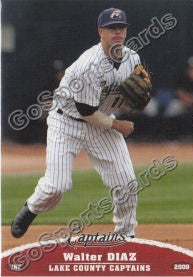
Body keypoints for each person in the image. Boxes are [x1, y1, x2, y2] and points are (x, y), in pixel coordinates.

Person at [11, 8, 142, 239]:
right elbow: (86, 111)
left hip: (100, 121)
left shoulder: (132, 58)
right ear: (101, 32)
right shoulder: (89, 65)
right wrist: (117, 125)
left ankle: (126, 234)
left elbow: (130, 90)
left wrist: (136, 97)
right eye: (112, 28)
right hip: (67, 123)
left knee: (127, 183)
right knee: (56, 186)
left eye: (121, 27)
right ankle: (31, 208)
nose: (118, 32)